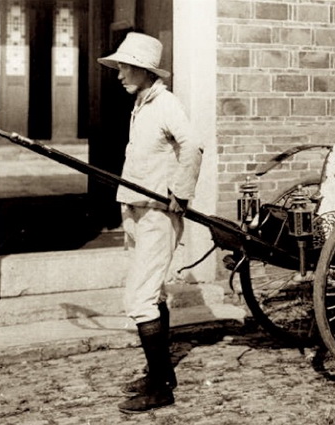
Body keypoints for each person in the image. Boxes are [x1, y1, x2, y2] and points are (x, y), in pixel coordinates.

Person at [97, 32, 203, 414]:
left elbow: (193, 146)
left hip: (158, 214)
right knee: (153, 292)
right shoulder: (142, 103)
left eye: (125, 67)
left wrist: (181, 192)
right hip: (137, 208)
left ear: (143, 69)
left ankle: (160, 389)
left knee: (139, 298)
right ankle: (163, 374)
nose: (119, 73)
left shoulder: (166, 104)